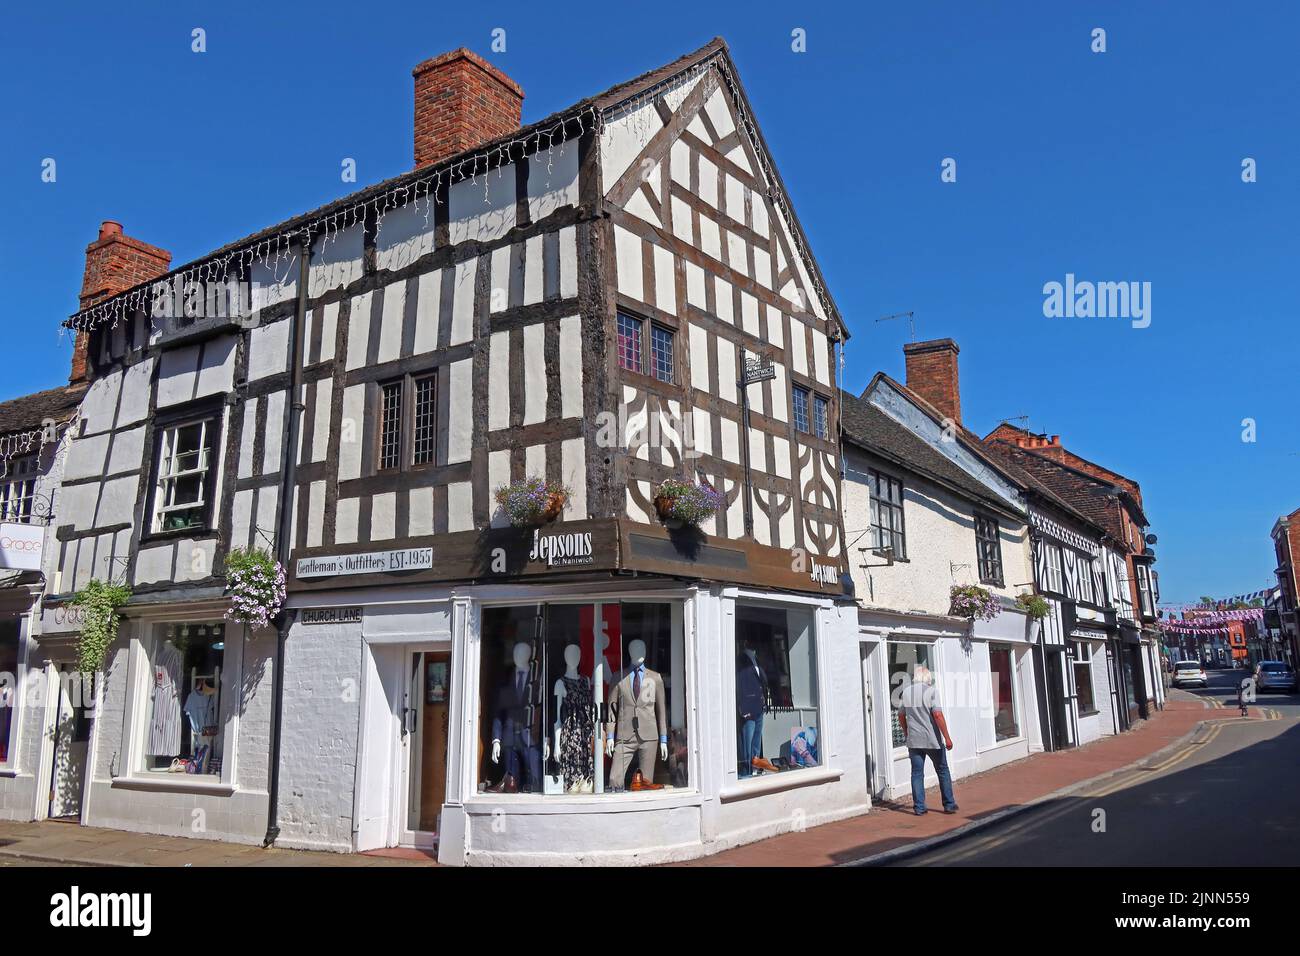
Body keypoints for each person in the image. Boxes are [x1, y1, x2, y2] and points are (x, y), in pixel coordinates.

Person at [896, 664, 958, 816]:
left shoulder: (906, 693)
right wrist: (947, 737)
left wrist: (906, 733)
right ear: (928, 678)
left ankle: (919, 807)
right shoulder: (931, 691)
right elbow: (937, 715)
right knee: (942, 770)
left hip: (914, 740)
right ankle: (949, 804)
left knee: (917, 773)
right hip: (932, 740)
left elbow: (901, 715)